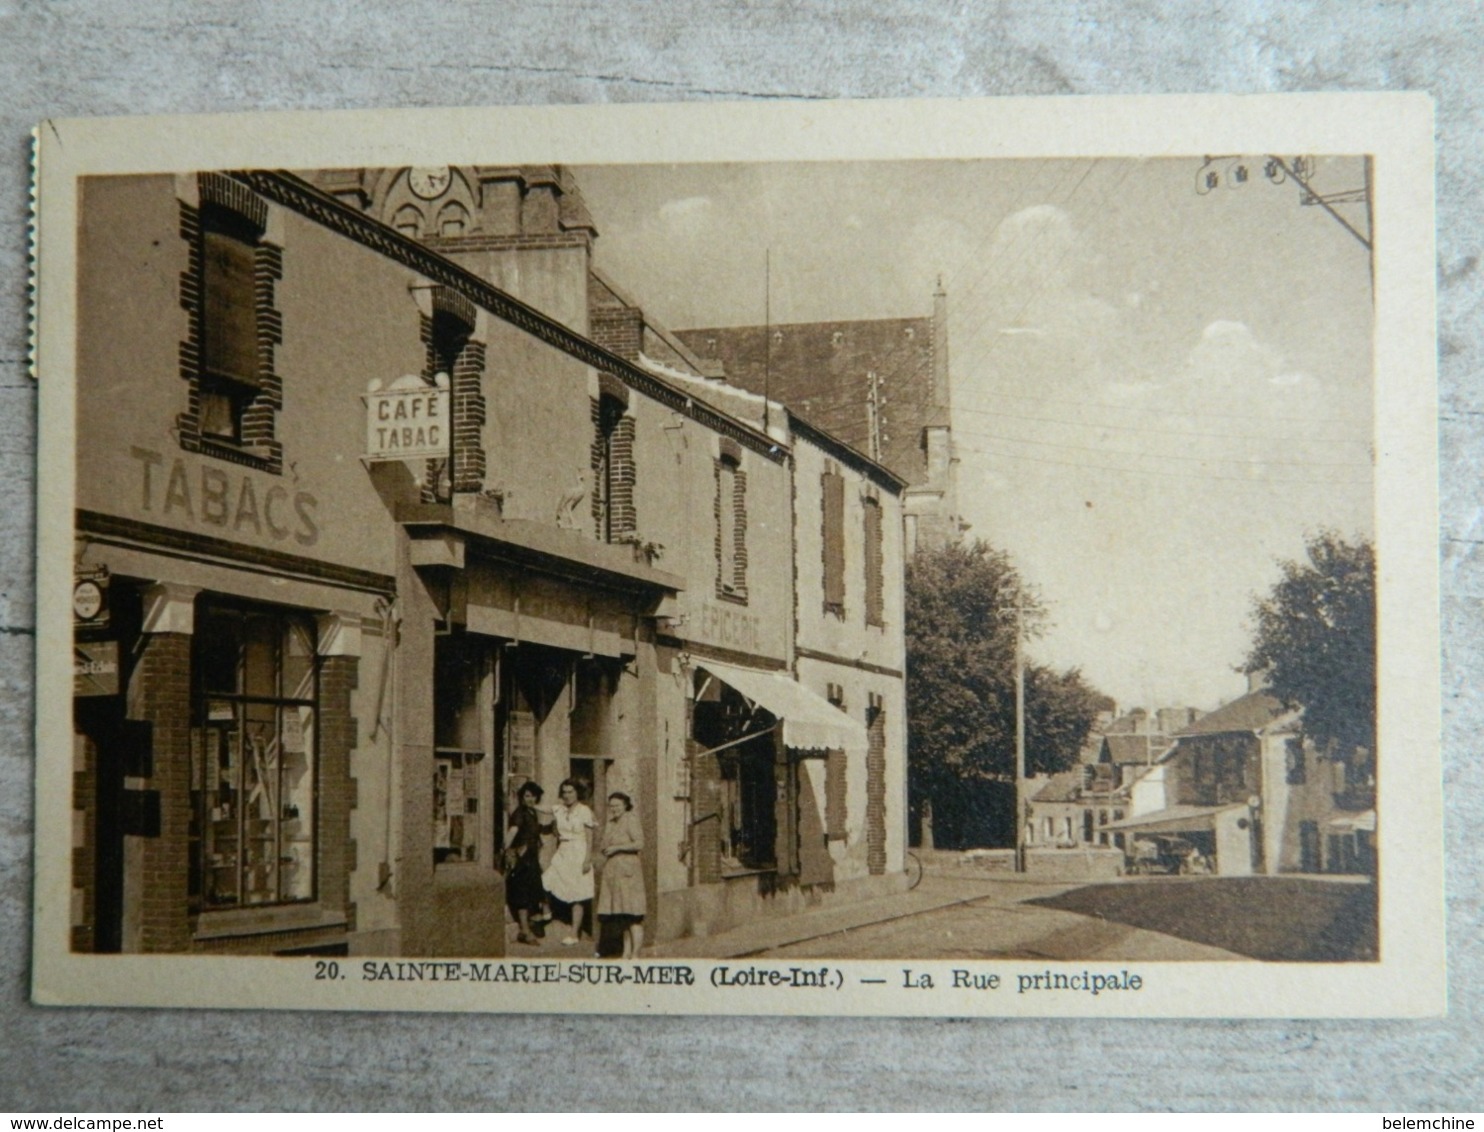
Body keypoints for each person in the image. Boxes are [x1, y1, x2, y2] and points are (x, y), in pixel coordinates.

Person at [542, 779, 596, 946]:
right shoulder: (559, 809)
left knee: (577, 894)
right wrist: (526, 802)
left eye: (570, 792)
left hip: (579, 852)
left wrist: (587, 859)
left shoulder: (584, 811)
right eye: (564, 792)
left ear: (577, 793)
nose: (567, 795)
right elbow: (543, 808)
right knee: (546, 879)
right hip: (563, 851)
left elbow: (589, 837)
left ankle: (574, 933)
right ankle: (546, 911)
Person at [596, 791, 646, 958]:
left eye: (617, 805)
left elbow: (639, 843)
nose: (614, 809)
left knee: (633, 915)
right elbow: (604, 843)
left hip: (628, 872)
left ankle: (636, 954)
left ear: (625, 805)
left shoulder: (631, 819)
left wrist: (617, 848)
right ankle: (626, 952)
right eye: (611, 806)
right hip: (614, 872)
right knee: (623, 916)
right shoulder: (611, 823)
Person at [503, 781, 547, 945]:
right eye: (527, 796)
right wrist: (506, 850)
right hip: (522, 859)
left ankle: (528, 926)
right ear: (522, 797)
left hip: (532, 858)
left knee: (532, 893)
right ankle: (525, 931)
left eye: (534, 796)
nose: (531, 799)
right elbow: (513, 832)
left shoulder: (532, 812)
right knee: (523, 894)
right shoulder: (520, 813)